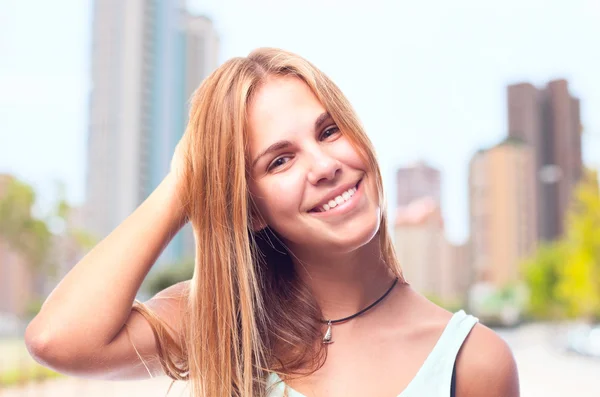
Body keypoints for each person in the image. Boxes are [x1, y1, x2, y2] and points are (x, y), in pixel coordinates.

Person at [25, 48, 519, 397]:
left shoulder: (473, 362)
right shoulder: (228, 322)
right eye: (279, 161)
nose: (324, 165)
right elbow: (57, 339)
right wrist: (188, 177)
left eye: (329, 131)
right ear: (251, 209)